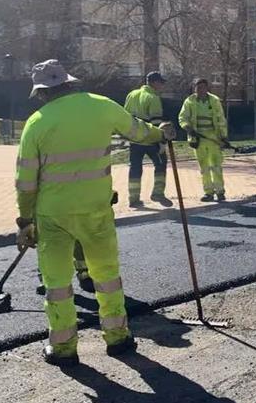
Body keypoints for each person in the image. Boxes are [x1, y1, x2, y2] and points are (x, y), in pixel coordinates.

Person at [14, 60, 175, 365]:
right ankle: (118, 339)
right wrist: (161, 132)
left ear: (41, 92)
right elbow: (138, 131)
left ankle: (63, 348)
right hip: (96, 211)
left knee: (58, 283)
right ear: (69, 82)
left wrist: (25, 221)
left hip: (53, 216)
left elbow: (25, 182)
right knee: (107, 276)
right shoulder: (102, 106)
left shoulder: (36, 123)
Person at [122, 71, 171, 209]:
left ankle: (133, 199)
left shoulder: (132, 94)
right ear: (154, 82)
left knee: (135, 168)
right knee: (161, 163)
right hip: (149, 139)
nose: (162, 85)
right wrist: (161, 141)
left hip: (134, 139)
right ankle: (158, 193)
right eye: (161, 83)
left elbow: (126, 117)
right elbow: (156, 123)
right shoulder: (153, 97)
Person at [178, 78, 228, 202]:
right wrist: (188, 128)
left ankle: (220, 191)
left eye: (203, 87)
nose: (200, 90)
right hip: (198, 139)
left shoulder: (214, 101)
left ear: (207, 88)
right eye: (198, 87)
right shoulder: (189, 101)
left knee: (216, 165)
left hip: (213, 138)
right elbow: (182, 117)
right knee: (204, 167)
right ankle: (208, 192)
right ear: (194, 88)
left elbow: (221, 119)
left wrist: (223, 136)